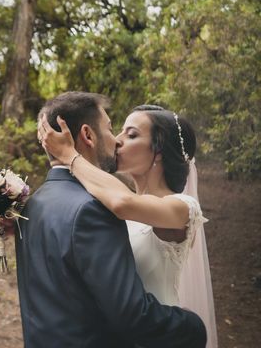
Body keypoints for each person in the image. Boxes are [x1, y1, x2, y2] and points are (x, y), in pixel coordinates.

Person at [15, 92, 206, 347]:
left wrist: (70, 155)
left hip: (160, 333)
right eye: (116, 131)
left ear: (158, 151)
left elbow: (122, 204)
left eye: (132, 134)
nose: (117, 141)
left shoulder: (181, 206)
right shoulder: (103, 205)